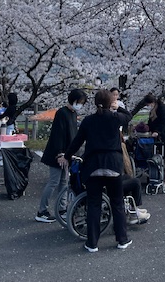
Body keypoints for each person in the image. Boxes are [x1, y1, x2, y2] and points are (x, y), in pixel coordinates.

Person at [62, 89, 133, 252]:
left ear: (95, 103)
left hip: (93, 166)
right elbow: (128, 116)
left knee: (94, 204)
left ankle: (92, 243)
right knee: (117, 203)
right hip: (113, 166)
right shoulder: (115, 118)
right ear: (110, 102)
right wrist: (117, 107)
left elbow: (77, 141)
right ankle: (122, 239)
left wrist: (67, 156)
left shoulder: (88, 121)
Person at [35, 88, 88, 223]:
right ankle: (42, 211)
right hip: (58, 154)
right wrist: (60, 154)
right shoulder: (62, 113)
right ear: (73, 100)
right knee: (54, 182)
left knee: (64, 182)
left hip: (67, 154)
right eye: (80, 102)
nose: (80, 105)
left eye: (82, 103)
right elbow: (57, 134)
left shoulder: (72, 113)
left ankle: (62, 209)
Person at [121, 140, 151, 225]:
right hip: (110, 182)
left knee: (127, 177)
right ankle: (134, 211)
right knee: (136, 182)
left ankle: (132, 207)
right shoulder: (119, 146)